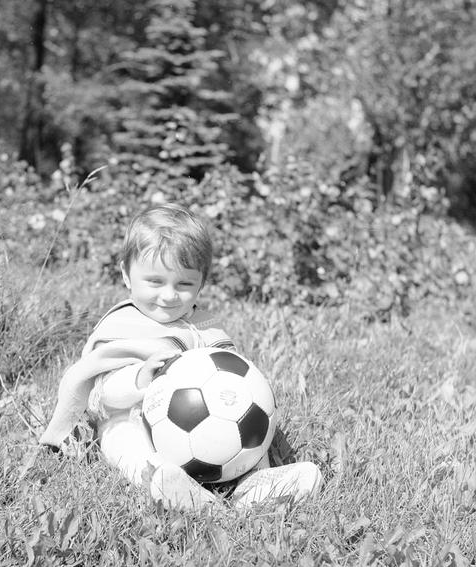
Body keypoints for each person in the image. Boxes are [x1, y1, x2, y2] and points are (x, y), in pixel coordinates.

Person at [39, 203, 322, 512]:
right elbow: (103, 395)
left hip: (203, 428)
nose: (169, 295)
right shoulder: (122, 326)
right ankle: (160, 478)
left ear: (202, 282)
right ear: (126, 275)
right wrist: (140, 378)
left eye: (184, 284)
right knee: (121, 440)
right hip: (135, 419)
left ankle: (255, 484)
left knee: (244, 421)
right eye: (155, 282)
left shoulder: (203, 325)